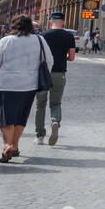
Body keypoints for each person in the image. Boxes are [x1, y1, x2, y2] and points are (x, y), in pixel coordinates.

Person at [0, 14, 54, 163]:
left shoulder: (6, 41)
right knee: (21, 117)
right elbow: (49, 61)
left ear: (14, 26)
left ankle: (7, 145)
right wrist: (37, 75)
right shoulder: (39, 40)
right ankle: (15, 145)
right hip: (29, 85)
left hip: (6, 84)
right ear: (30, 26)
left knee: (6, 118)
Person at [34, 11, 77, 146]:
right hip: (59, 73)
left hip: (43, 73)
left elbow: (36, 56)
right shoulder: (69, 36)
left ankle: (39, 136)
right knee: (56, 103)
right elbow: (71, 57)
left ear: (51, 21)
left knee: (40, 105)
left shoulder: (42, 36)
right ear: (63, 22)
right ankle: (55, 122)